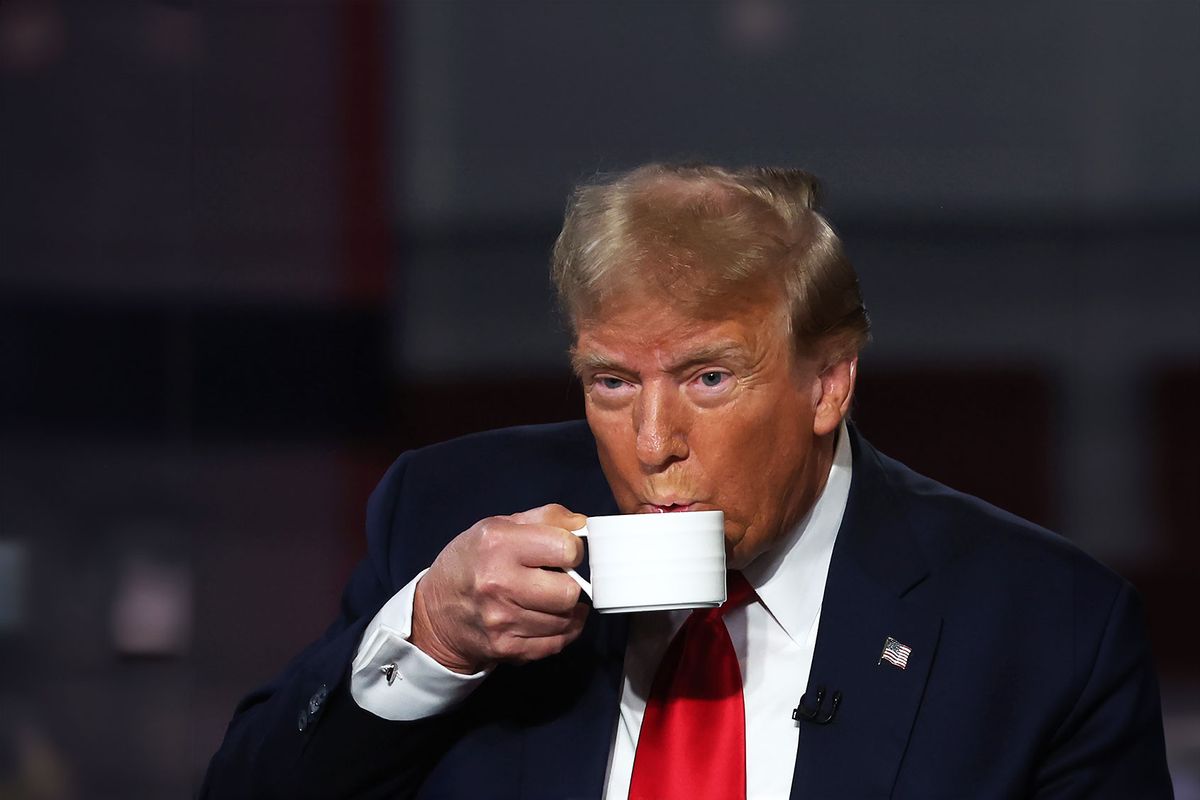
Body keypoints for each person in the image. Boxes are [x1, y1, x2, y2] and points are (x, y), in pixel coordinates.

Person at [201, 163, 1173, 799]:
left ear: (828, 381)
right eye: (612, 381)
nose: (652, 439)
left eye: (708, 377)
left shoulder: (1045, 632)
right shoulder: (453, 517)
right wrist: (429, 637)